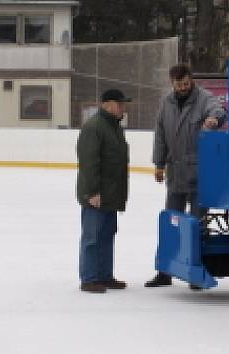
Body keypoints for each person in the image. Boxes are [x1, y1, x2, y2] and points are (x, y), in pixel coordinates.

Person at [145, 64, 226, 288]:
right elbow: (160, 134)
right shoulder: (166, 103)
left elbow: (218, 109)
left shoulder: (204, 98)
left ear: (191, 80)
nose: (183, 88)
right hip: (175, 173)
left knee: (198, 226)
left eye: (187, 83)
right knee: (170, 223)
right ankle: (164, 272)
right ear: (173, 83)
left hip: (199, 173)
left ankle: (196, 273)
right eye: (179, 84)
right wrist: (159, 164)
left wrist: (214, 120)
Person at [76, 89, 131, 293]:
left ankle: (105, 276)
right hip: (97, 196)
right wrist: (92, 193)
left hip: (111, 194)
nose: (123, 108)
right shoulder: (94, 127)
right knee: (92, 237)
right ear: (107, 104)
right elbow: (89, 162)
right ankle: (89, 278)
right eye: (120, 104)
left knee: (107, 236)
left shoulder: (115, 127)